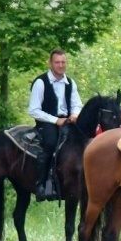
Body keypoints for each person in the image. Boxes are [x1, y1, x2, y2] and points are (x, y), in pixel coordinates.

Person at [28, 48, 82, 201]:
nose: (60, 65)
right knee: (50, 143)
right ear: (50, 63)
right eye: (57, 62)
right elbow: (34, 110)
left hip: (67, 121)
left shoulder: (70, 83)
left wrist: (74, 115)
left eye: (63, 62)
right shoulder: (40, 82)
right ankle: (40, 185)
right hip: (46, 122)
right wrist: (55, 120)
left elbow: (77, 104)